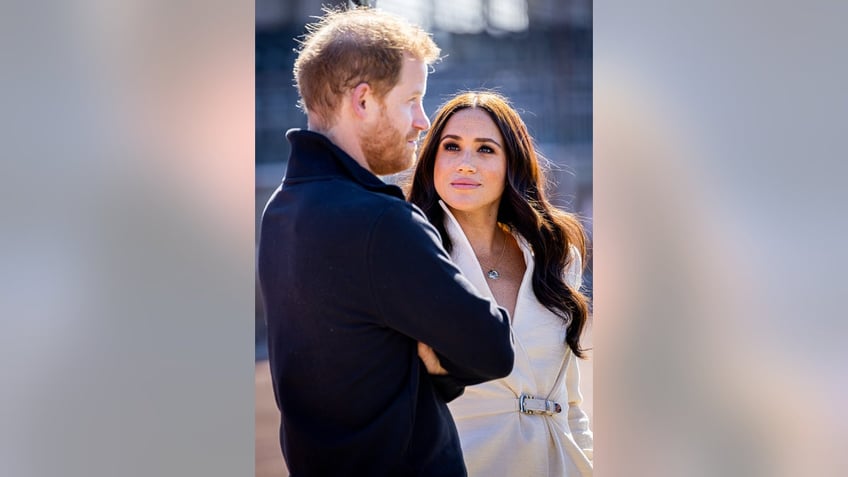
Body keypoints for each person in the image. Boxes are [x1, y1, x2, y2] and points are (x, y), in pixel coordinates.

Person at [256, 9, 515, 476]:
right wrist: (431, 359)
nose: (423, 121)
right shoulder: (380, 221)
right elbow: (493, 348)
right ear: (363, 100)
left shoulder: (280, 210)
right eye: (412, 100)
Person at [409, 91, 594, 476]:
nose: (465, 164)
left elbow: (569, 400)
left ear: (513, 162)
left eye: (485, 150)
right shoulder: (406, 260)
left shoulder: (555, 257)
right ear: (432, 161)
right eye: (451, 146)